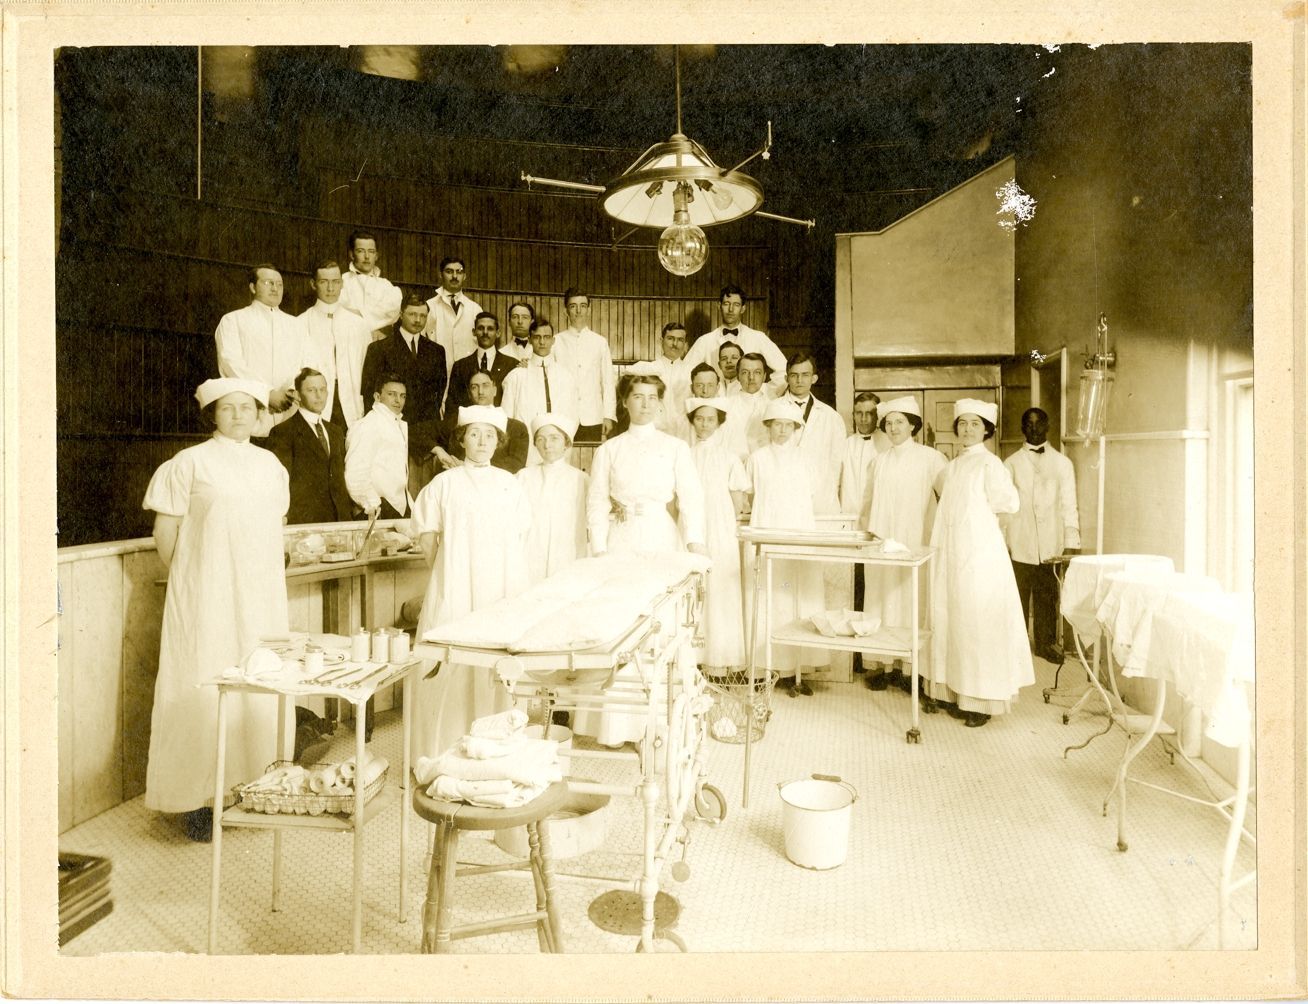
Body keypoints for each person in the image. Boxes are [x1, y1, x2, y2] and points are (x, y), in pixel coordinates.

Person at [141, 377, 289, 841]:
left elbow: (274, 527)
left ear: (259, 414)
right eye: (228, 407)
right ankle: (200, 799)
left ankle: (257, 786)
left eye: (247, 407)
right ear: (213, 414)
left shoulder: (270, 465)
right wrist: (196, 579)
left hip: (260, 595)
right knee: (204, 683)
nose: (239, 415)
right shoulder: (189, 463)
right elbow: (166, 535)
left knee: (258, 681)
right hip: (206, 596)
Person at [576, 366, 707, 746]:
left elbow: (691, 499)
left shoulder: (675, 448)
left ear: (661, 404)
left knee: (659, 625)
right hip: (620, 541)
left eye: (652, 398)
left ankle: (657, 724)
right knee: (619, 623)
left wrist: (695, 543)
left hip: (660, 537)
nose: (645, 405)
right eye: (638, 397)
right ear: (624, 402)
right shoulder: (609, 449)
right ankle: (615, 727)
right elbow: (596, 501)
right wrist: (599, 548)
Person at [410, 405, 531, 760]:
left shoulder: (510, 484)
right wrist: (448, 574)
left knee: (495, 662)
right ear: (461, 440)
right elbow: (428, 538)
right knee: (452, 661)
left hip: (500, 588)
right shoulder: (443, 484)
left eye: (489, 435)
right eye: (474, 434)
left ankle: (495, 749)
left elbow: (521, 537)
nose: (482, 441)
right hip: (455, 585)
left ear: (498, 442)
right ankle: (441, 750)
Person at [927, 399, 1034, 728]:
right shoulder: (952, 467)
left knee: (976, 624)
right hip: (951, 554)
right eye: (962, 423)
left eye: (975, 424)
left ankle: (980, 701)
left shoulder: (990, 464)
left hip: (979, 558)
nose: (967, 429)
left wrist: (983, 546)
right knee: (952, 619)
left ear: (987, 430)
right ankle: (954, 692)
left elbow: (1007, 508)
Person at [743, 398, 828, 694]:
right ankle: (766, 669)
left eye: (788, 425)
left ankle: (798, 672)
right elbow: (750, 494)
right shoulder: (757, 458)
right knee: (769, 597)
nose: (782, 430)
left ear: (796, 428)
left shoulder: (806, 458)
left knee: (797, 597)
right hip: (768, 529)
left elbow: (813, 493)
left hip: (799, 531)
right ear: (768, 427)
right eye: (776, 424)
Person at [861, 396, 946, 691]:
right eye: (889, 423)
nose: (894, 428)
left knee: (911, 600)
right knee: (882, 599)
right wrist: (867, 536)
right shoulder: (878, 461)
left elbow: (947, 499)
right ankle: (885, 666)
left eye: (900, 422)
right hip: (883, 541)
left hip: (915, 542)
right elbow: (868, 504)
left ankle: (912, 670)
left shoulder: (932, 459)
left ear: (913, 425)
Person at [1004, 407, 1080, 662]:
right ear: (1022, 428)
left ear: (1048, 426)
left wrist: (1071, 541)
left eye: (1039, 423)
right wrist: (1003, 542)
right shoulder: (1010, 464)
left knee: (1047, 595)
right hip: (1019, 540)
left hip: (1051, 542)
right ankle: (1016, 645)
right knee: (1018, 595)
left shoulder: (1062, 463)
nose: (1034, 428)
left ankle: (1046, 644)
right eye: (1029, 424)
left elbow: (1069, 504)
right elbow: (1003, 507)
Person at [214, 263, 315, 438]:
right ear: (253, 287)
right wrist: (266, 394)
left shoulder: (296, 325)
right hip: (251, 411)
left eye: (279, 284)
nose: (275, 288)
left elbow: (307, 363)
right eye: (268, 283)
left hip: (289, 411)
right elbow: (230, 363)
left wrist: (291, 392)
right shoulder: (233, 320)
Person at [687, 396, 749, 677]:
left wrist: (726, 523)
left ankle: (721, 660)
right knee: (692, 588)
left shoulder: (729, 457)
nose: (704, 424)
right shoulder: (683, 454)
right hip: (690, 526)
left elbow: (737, 500)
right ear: (692, 421)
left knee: (721, 588)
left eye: (710, 419)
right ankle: (692, 660)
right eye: (699, 419)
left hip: (721, 526)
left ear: (719, 423)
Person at [267, 368, 353, 524]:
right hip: (305, 522)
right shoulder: (283, 432)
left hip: (340, 521)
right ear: (298, 395)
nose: (319, 396)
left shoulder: (335, 431)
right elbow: (279, 485)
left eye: (322, 389)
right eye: (311, 390)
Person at [412, 370, 529, 482]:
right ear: (469, 393)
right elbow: (413, 431)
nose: (480, 392)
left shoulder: (516, 428)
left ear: (495, 390)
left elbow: (515, 463)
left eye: (485, 385)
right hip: (459, 485)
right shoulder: (457, 423)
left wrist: (468, 467)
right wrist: (439, 450)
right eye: (474, 387)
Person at [299, 258, 374, 429]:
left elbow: (368, 370)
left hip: (352, 403)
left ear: (342, 283)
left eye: (335, 282)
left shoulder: (358, 324)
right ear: (313, 284)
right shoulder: (301, 323)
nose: (330, 288)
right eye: (324, 282)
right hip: (316, 402)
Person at [517, 412, 589, 584]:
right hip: (532, 551)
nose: (547, 445)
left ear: (566, 443)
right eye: (540, 439)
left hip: (568, 551)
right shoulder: (523, 477)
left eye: (554, 438)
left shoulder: (581, 479)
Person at [360, 290, 447, 425]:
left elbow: (438, 394)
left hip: (426, 427)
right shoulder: (378, 349)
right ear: (401, 315)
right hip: (390, 425)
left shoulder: (437, 351)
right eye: (412, 314)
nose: (418, 320)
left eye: (423, 316)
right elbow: (369, 393)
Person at [682, 284, 788, 394]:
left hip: (748, 402)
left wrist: (763, 393)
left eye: (736, 305)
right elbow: (684, 375)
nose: (731, 309)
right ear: (719, 306)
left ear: (743, 308)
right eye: (726, 304)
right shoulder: (704, 341)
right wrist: (703, 398)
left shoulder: (758, 338)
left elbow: (784, 370)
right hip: (716, 402)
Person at [500, 317, 578, 464]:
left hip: (559, 448)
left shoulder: (566, 376)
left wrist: (563, 443)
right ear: (530, 339)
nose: (542, 342)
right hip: (526, 449)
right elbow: (506, 418)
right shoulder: (516, 376)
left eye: (547, 337)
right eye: (537, 337)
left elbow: (573, 415)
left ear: (553, 340)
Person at [781, 351, 847, 515]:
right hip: (783, 493)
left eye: (805, 375)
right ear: (786, 378)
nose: (799, 380)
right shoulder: (773, 410)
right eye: (794, 375)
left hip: (821, 498)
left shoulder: (831, 416)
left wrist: (829, 492)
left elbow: (837, 462)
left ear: (814, 378)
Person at [344, 373, 412, 519]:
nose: (398, 400)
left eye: (402, 396)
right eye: (391, 394)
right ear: (377, 396)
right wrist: (375, 505)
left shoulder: (396, 424)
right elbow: (355, 475)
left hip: (396, 508)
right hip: (378, 511)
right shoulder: (369, 425)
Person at [554, 287, 616, 442]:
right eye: (573, 306)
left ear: (589, 309)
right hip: (563, 415)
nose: (578, 311)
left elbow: (608, 382)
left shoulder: (600, 342)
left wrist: (608, 415)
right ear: (565, 311)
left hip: (593, 416)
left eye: (583, 306)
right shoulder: (556, 341)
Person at [424, 255, 481, 383]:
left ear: (464, 276)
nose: (454, 276)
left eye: (459, 272)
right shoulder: (429, 306)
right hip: (436, 376)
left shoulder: (475, 309)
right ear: (440, 275)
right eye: (449, 271)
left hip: (468, 376)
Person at [446, 311, 518, 412]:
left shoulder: (512, 365)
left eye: (490, 328)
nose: (485, 332)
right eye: (480, 328)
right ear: (474, 332)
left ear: (498, 333)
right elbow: (452, 407)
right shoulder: (460, 366)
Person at [339, 230, 402, 339]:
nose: (367, 256)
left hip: (379, 340)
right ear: (352, 254)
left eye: (371, 251)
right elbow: (340, 313)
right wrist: (369, 329)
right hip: (349, 339)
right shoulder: (341, 282)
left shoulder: (387, 287)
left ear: (376, 256)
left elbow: (393, 312)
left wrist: (359, 314)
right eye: (361, 251)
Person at [839, 391, 885, 518]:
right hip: (850, 517)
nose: (864, 419)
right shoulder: (845, 445)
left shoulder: (888, 444)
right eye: (859, 413)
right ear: (853, 415)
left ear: (877, 416)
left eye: (869, 413)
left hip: (879, 516)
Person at [726, 352, 774, 458]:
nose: (751, 377)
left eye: (757, 372)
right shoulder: (726, 406)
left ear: (764, 376)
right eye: (745, 372)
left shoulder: (773, 406)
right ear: (738, 376)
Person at [651, 321, 692, 436]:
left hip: (683, 432)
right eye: (670, 338)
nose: (675, 344)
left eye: (680, 340)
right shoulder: (649, 369)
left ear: (685, 344)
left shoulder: (691, 372)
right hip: (656, 430)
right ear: (661, 341)